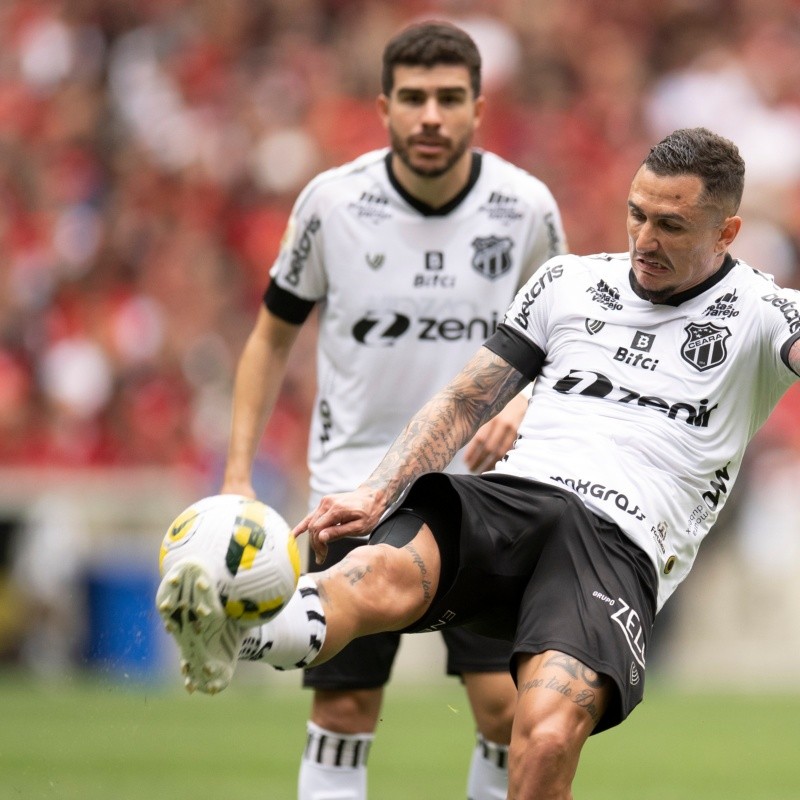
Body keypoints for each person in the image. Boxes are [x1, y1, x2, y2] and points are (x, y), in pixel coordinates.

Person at [158, 125, 800, 798]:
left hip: (620, 543)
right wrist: (378, 492)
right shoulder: (569, 282)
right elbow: (466, 400)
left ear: (726, 233)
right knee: (375, 575)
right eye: (636, 213)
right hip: (517, 496)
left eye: (671, 225)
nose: (644, 239)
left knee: (546, 737)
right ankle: (239, 629)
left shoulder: (763, 312)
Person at [200, 20, 566, 800]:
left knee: (504, 708)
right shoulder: (331, 204)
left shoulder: (526, 208)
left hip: (482, 495)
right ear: (383, 106)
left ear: (477, 107)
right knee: (344, 703)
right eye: (412, 98)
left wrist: (525, 401)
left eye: (447, 98)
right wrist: (238, 475)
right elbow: (268, 341)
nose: (429, 116)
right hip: (352, 486)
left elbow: (567, 335)